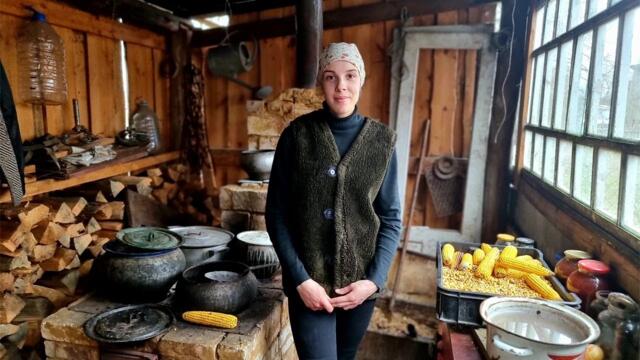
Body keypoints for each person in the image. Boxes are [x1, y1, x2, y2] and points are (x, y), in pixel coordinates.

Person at [265, 42, 402, 360]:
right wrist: (300, 280)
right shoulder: (297, 136)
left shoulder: (382, 142)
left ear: (362, 80)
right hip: (309, 288)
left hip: (360, 289)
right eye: (330, 76)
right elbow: (276, 214)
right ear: (321, 83)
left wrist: (373, 282)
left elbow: (391, 218)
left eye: (350, 75)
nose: (341, 86)